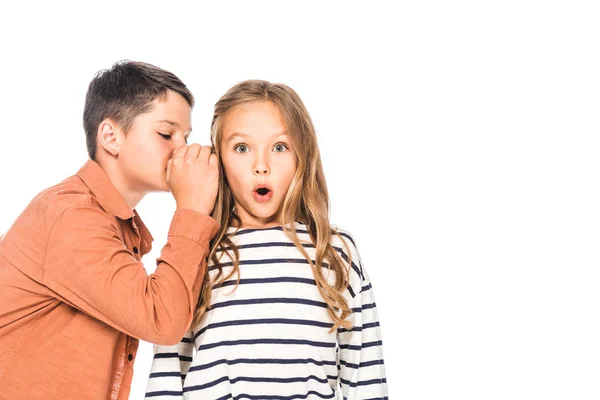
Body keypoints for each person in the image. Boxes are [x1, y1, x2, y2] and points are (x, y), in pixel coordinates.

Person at [146, 80, 388, 399]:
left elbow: (365, 375)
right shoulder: (196, 252)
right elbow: (166, 373)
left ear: (302, 155)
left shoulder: (336, 250)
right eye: (242, 148)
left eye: (279, 147)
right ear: (218, 160)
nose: (261, 166)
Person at [0, 61, 219, 399]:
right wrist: (191, 209)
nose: (183, 149)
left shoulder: (112, 223)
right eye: (166, 134)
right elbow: (162, 319)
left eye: (186, 137)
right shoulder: (71, 216)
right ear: (111, 137)